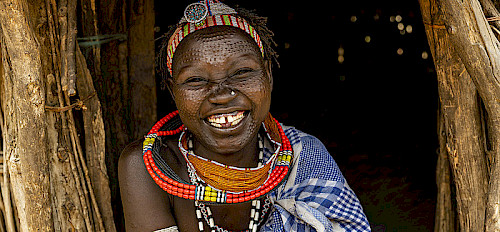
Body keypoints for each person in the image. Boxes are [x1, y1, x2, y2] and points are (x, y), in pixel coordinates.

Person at [118, 1, 371, 231]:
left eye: (241, 72)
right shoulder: (149, 167)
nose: (222, 94)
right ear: (174, 93)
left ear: (268, 76)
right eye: (195, 80)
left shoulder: (303, 157)